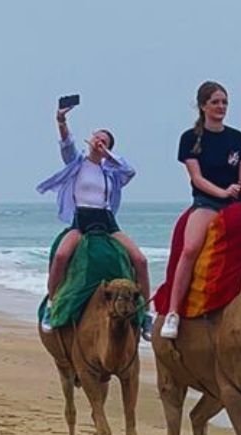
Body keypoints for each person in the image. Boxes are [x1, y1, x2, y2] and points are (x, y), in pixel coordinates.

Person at [159, 80, 241, 340]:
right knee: (190, 248)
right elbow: (197, 178)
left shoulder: (236, 137)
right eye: (215, 102)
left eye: (224, 102)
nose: (221, 107)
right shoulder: (190, 138)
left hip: (236, 203)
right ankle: (173, 312)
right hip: (207, 203)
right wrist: (221, 192)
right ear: (203, 106)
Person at [35, 103, 150, 310]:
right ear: (90, 140)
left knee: (140, 260)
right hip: (81, 221)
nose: (99, 142)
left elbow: (129, 171)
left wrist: (107, 155)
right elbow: (66, 143)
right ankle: (52, 305)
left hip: (106, 221)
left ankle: (145, 311)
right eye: (97, 137)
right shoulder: (76, 163)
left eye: (104, 141)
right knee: (61, 256)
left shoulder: (112, 172)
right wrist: (61, 120)